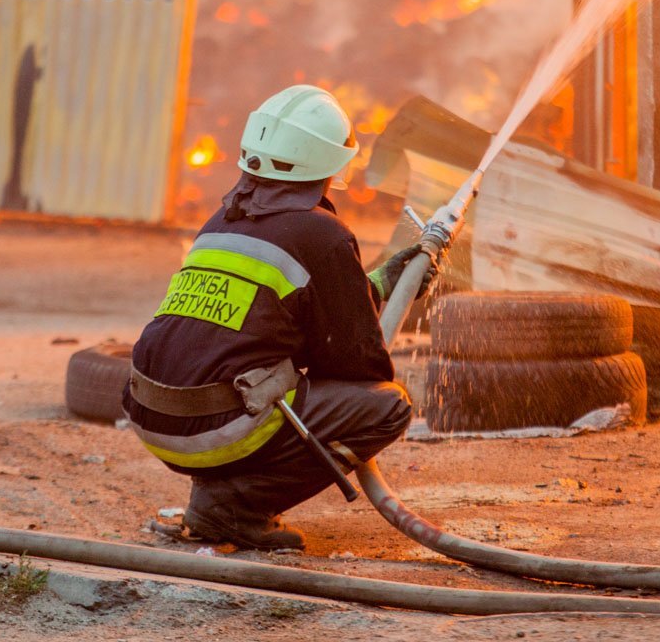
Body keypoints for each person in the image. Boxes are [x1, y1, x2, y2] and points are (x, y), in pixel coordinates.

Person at [123, 85, 435, 550]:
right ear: (330, 163)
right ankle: (234, 508)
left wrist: (375, 285)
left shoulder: (221, 220)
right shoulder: (322, 233)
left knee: (258, 377)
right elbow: (354, 364)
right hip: (212, 430)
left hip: (152, 415)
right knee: (386, 407)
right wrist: (364, 317)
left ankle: (219, 494)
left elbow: (270, 313)